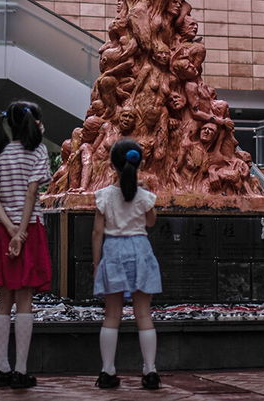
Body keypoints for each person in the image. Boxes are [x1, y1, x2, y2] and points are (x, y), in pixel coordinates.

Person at [0, 100, 52, 389]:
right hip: (30, 229)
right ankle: (21, 372)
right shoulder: (38, 151)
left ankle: (1, 369)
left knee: (4, 300)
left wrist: (9, 228)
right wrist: (21, 232)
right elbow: (33, 192)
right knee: (25, 299)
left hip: (1, 231)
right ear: (35, 123)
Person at [91, 138, 162, 390]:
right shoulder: (145, 196)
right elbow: (151, 222)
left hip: (113, 250)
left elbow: (98, 232)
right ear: (139, 163)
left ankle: (107, 371)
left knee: (112, 315)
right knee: (144, 314)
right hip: (140, 250)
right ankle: (150, 371)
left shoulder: (104, 197)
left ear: (113, 166)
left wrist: (96, 263)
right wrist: (140, 190)